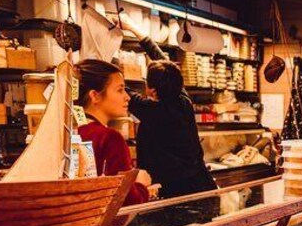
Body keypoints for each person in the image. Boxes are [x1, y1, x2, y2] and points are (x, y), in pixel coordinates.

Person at [118, 13, 217, 199]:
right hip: (201, 186)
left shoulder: (154, 111)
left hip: (177, 194)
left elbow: (120, 87)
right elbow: (165, 63)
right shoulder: (182, 100)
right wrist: (135, 30)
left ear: (153, 91)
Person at [74, 59, 151, 205]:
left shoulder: (71, 132)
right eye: (120, 90)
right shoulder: (109, 138)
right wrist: (142, 185)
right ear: (95, 96)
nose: (127, 97)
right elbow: (127, 200)